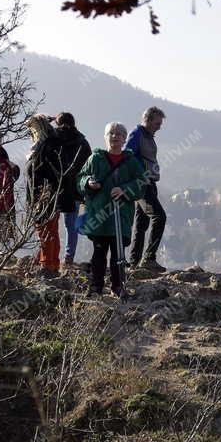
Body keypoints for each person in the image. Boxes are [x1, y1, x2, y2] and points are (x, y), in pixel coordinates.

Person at [77, 122, 146, 298]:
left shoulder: (131, 162)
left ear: (124, 139)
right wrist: (88, 183)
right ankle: (96, 287)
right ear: (105, 137)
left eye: (118, 134)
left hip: (121, 216)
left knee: (118, 254)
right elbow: (79, 179)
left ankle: (118, 286)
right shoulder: (95, 159)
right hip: (99, 214)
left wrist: (124, 189)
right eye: (111, 133)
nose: (114, 136)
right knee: (99, 253)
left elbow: (141, 184)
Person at [126, 106, 167, 272]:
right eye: (157, 123)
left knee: (141, 223)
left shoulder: (148, 136)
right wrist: (140, 174)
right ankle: (149, 258)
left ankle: (134, 262)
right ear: (148, 120)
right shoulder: (137, 135)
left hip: (149, 183)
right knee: (159, 217)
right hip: (142, 184)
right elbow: (127, 154)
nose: (159, 126)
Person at [50, 113, 92, 268]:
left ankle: (49, 255)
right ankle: (68, 257)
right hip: (74, 188)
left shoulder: (52, 140)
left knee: (50, 223)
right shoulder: (82, 142)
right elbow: (89, 167)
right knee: (71, 225)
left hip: (54, 188)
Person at [24, 114, 62, 277]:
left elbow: (45, 172)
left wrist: (42, 195)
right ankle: (50, 264)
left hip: (45, 196)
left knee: (46, 231)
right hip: (46, 195)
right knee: (50, 230)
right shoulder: (50, 145)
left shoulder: (45, 147)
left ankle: (48, 266)